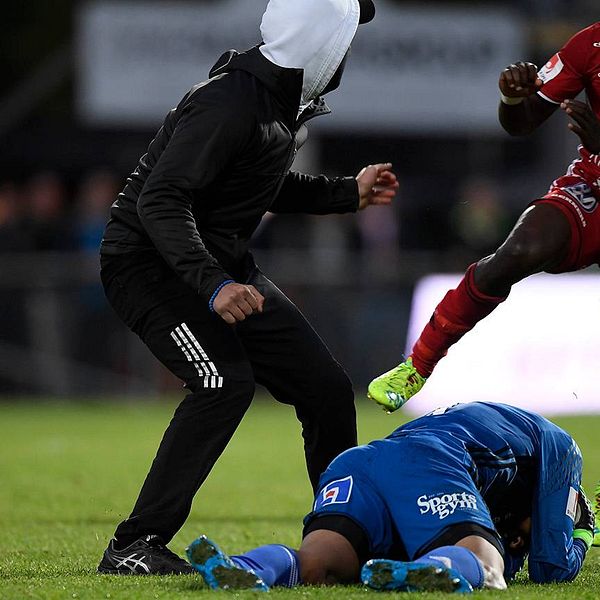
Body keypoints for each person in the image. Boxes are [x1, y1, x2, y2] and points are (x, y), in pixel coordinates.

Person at [97, 0, 398, 575]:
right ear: (323, 42)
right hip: (146, 265)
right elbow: (161, 201)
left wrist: (345, 193)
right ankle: (133, 546)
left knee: (327, 390)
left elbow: (259, 181)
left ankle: (340, 536)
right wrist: (213, 287)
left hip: (216, 264)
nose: (349, 52)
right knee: (222, 384)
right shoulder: (230, 101)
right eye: (347, 36)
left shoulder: (272, 103)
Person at [367, 22, 600, 412]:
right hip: (592, 188)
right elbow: (522, 122)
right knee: (521, 247)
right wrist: (512, 99)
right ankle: (416, 366)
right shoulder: (590, 43)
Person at [185, 402, 594, 592]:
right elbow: (551, 567)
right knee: (489, 568)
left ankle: (244, 567)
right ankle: (436, 572)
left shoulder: (495, 432)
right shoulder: (561, 448)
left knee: (316, 563)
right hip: (433, 462)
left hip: (363, 463)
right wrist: (583, 532)